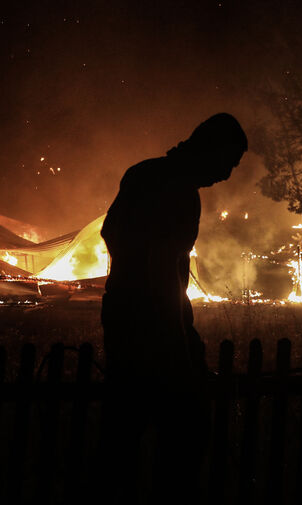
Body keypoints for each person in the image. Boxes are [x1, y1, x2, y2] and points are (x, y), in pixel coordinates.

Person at [98, 113, 247, 504]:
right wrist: (180, 342)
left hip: (121, 317)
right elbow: (163, 271)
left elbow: (110, 233)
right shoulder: (180, 193)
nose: (227, 175)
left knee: (123, 434)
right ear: (209, 149)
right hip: (155, 330)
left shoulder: (141, 174)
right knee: (186, 432)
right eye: (228, 162)